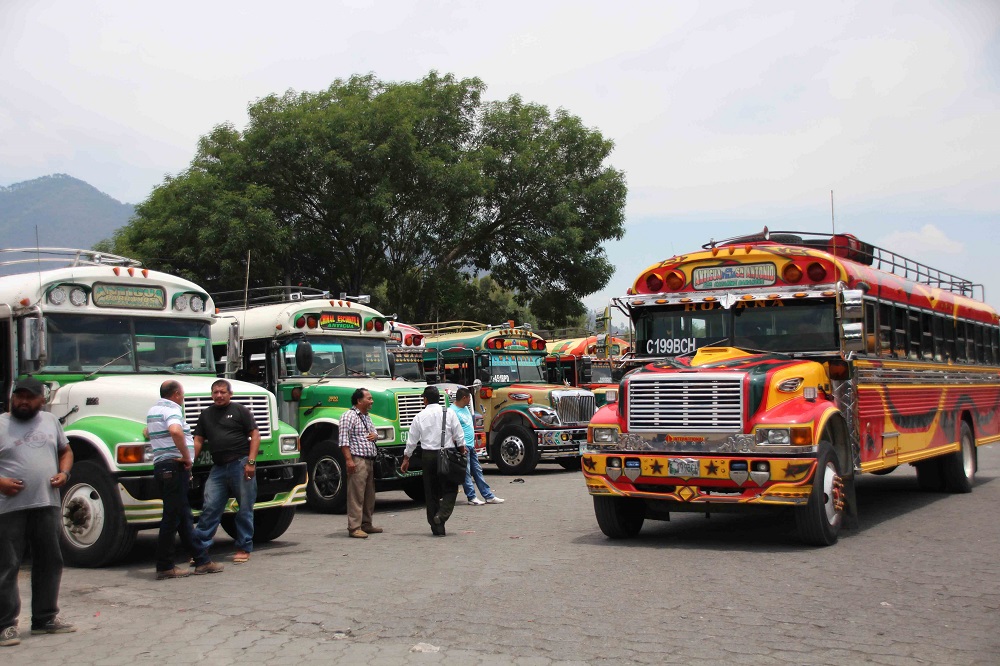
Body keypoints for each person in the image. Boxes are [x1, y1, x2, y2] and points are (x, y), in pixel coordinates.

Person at [0, 377, 76, 647]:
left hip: (46, 503)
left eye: (28, 397)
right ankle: (6, 625)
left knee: (49, 560)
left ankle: (44, 619)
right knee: (7, 565)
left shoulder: (50, 422)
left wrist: (64, 473)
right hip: (8, 508)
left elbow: (66, 451)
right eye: (18, 396)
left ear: (41, 400)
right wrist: (1, 482)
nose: (22, 401)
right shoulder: (1, 424)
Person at [146, 380, 222, 579]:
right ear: (177, 394)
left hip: (162, 468)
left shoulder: (153, 410)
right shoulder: (172, 410)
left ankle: (202, 560)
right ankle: (164, 566)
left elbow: (148, 432)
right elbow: (175, 430)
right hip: (173, 467)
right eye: (182, 394)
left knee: (183, 517)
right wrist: (186, 457)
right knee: (171, 518)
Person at [191, 379, 258, 565]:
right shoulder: (206, 415)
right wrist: (189, 462)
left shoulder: (240, 411)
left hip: (240, 464)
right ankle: (200, 548)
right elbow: (198, 440)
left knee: (244, 507)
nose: (219, 395)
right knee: (210, 506)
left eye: (222, 392)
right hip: (218, 468)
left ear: (230, 394)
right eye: (215, 392)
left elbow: (255, 435)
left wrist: (251, 462)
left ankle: (244, 547)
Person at [401, 386, 465, 536]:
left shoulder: (420, 416)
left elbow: (412, 440)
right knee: (451, 488)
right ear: (439, 399)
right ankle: (441, 516)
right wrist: (462, 451)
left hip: (428, 456)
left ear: (425, 400)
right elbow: (459, 434)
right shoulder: (449, 413)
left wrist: (406, 458)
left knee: (431, 492)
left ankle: (437, 528)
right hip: (447, 455)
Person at [339, 388, 383, 539]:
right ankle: (354, 527)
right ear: (359, 401)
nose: (372, 401)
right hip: (357, 459)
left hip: (369, 460)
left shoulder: (366, 417)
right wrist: (349, 460)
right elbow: (343, 441)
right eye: (369, 398)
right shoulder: (348, 416)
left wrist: (375, 435)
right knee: (356, 495)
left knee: (369, 495)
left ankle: (366, 523)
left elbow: (374, 433)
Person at [451, 388, 503, 506]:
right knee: (467, 472)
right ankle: (472, 496)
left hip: (471, 445)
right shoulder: (452, 411)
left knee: (477, 470)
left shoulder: (465, 409)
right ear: (464, 398)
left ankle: (488, 495)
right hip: (462, 446)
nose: (470, 400)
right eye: (469, 398)